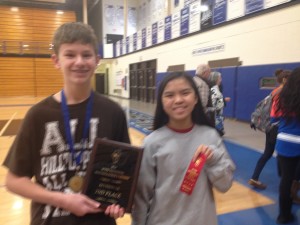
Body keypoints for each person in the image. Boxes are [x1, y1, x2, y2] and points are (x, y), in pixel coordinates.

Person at [2, 22, 129, 225]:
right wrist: (62, 200)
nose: (79, 62)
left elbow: (123, 175)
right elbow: (13, 181)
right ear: (56, 60)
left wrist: (118, 203)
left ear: (97, 60)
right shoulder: (37, 115)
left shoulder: (113, 112)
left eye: (86, 55)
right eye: (70, 55)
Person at [131, 72, 235, 225]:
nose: (178, 100)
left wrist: (213, 159)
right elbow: (141, 198)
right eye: (169, 95)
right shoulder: (151, 143)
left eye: (185, 93)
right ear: (161, 102)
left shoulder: (211, 136)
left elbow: (225, 185)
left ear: (196, 99)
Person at [248, 69, 291, 190]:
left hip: (270, 127)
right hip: (278, 127)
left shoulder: (274, 91)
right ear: (285, 80)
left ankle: (254, 177)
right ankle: (285, 182)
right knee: (282, 153)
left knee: (268, 153)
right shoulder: (284, 92)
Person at [270, 67, 300, 224]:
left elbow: (273, 118)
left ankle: (283, 215)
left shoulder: (281, 96)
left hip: (285, 141)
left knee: (286, 180)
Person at [209, 71, 225, 136]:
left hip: (218, 116)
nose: (221, 79)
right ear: (216, 79)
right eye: (220, 78)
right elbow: (214, 104)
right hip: (216, 117)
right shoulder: (214, 90)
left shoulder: (216, 89)